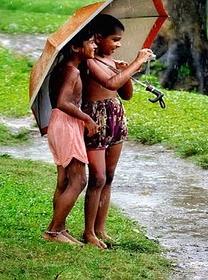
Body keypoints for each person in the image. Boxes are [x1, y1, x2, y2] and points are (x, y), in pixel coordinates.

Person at [81, 14, 155, 248]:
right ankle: (88, 231)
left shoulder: (111, 62)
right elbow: (110, 84)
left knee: (109, 177)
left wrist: (127, 72)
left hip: (115, 116)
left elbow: (126, 94)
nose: (119, 45)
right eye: (115, 39)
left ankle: (100, 229)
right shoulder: (90, 61)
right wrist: (137, 62)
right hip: (96, 118)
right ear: (98, 38)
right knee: (98, 177)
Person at [42, 28, 99, 245]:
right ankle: (53, 231)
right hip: (66, 124)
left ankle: (60, 228)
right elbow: (63, 102)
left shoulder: (68, 68)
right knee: (79, 179)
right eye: (91, 42)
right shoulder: (71, 71)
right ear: (76, 47)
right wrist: (87, 119)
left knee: (65, 180)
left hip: (62, 123)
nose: (94, 46)